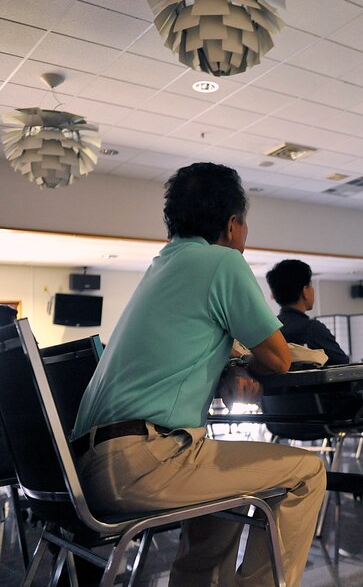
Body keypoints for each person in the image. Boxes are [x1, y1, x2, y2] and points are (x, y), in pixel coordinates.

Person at [71, 163, 326, 586]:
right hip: (140, 463)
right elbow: (279, 359)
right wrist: (244, 365)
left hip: (90, 466)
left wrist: (228, 367)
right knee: (308, 472)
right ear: (231, 225)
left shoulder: (161, 267)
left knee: (224, 486)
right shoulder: (222, 262)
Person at [266, 259, 350, 365]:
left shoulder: (270, 329)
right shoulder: (312, 329)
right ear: (305, 291)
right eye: (310, 285)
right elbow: (342, 364)